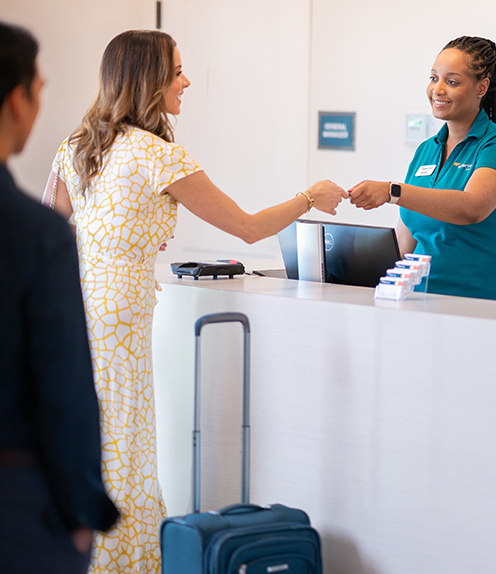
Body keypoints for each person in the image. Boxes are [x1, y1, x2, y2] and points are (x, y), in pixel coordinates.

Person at [41, 29, 347, 574]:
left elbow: (47, 231)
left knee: (95, 440)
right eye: (177, 71)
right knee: (125, 448)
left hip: (77, 308)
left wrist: (113, 238)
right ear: (148, 80)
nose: (186, 81)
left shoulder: (78, 146)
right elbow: (248, 229)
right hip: (121, 317)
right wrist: (308, 197)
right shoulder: (159, 155)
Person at [0, 19, 119, 574]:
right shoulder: (34, 232)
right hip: (6, 498)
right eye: (39, 88)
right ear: (17, 101)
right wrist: (83, 508)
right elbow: (64, 389)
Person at [348, 36, 496, 303]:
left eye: (452, 81)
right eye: (434, 78)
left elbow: (471, 208)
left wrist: (391, 191)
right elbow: (403, 244)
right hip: (423, 304)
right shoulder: (426, 150)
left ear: (482, 86)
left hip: (487, 304)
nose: (438, 89)